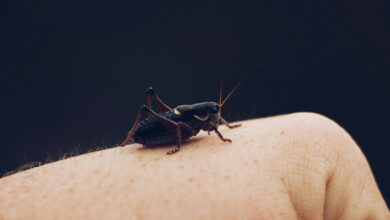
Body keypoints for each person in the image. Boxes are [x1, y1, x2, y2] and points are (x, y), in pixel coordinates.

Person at [0, 113, 388, 219]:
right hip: (159, 132)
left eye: (218, 119)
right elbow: (195, 126)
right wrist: (176, 146)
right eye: (215, 118)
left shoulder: (210, 120)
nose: (216, 121)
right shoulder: (192, 124)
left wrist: (227, 129)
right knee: (150, 105)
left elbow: (215, 126)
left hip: (174, 127)